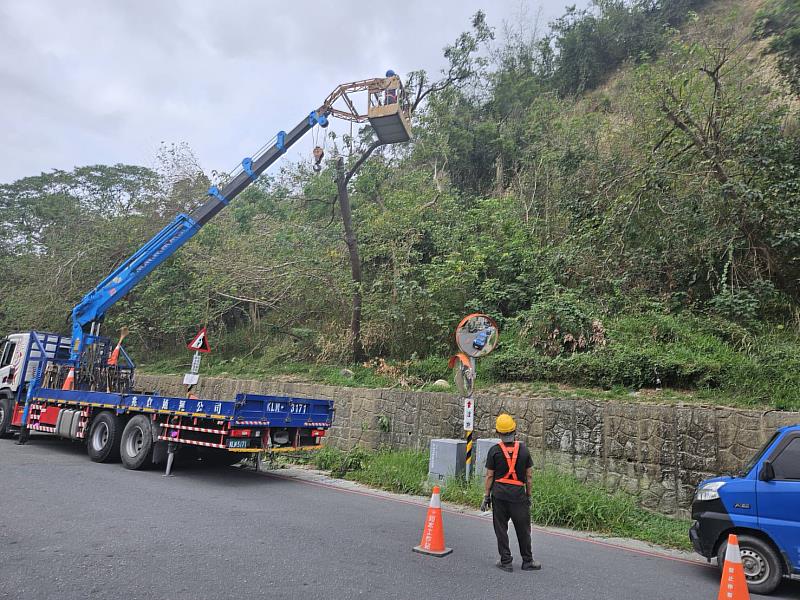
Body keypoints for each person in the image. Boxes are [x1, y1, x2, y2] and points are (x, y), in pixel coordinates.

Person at [481, 413, 542, 572]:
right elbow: (529, 476)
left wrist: (486, 496)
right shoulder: (524, 450)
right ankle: (527, 561)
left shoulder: (494, 451)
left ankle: (506, 562)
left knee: (501, 528)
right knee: (523, 529)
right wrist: (528, 495)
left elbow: (489, 476)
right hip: (518, 496)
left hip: (499, 495)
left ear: (498, 433)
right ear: (515, 430)